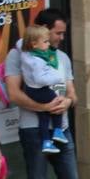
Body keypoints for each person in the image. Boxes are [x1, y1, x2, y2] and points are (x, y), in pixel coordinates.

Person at [5, 7, 76, 179]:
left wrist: (66, 103)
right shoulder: (18, 55)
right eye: (57, 33)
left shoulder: (63, 58)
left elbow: (72, 93)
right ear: (43, 31)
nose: (60, 38)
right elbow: (14, 94)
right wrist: (45, 107)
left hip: (62, 128)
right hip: (34, 129)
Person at [17, 24, 71, 154]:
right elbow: (40, 79)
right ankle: (58, 131)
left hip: (31, 90)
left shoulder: (25, 53)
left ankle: (46, 142)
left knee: (44, 117)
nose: (48, 44)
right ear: (34, 44)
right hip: (40, 90)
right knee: (57, 103)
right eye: (45, 41)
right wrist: (56, 78)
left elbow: (20, 43)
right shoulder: (38, 61)